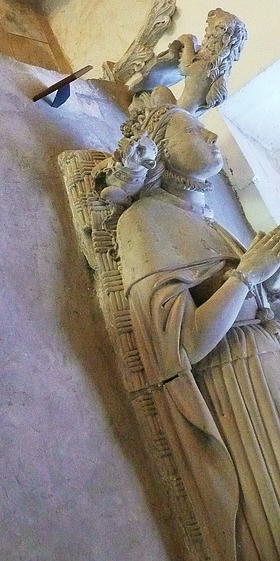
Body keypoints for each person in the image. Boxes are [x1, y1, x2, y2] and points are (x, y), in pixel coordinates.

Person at [116, 103, 280, 559]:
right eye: (193, 129)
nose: (210, 135)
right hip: (238, 380)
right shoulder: (144, 220)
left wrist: (268, 277)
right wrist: (247, 275)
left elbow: (260, 302)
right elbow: (182, 347)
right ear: (162, 151)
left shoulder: (210, 222)